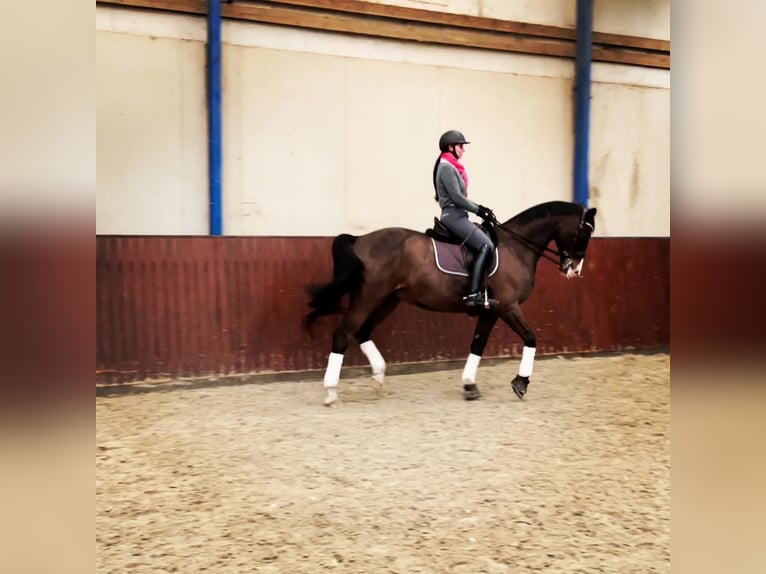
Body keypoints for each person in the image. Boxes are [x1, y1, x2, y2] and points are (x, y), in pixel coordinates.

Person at [432, 129, 496, 307]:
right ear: (451, 147)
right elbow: (457, 198)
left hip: (460, 215)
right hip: (453, 216)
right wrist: (479, 209)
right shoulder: (445, 167)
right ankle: (473, 293)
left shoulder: (451, 166)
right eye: (461, 146)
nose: (463, 149)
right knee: (486, 245)